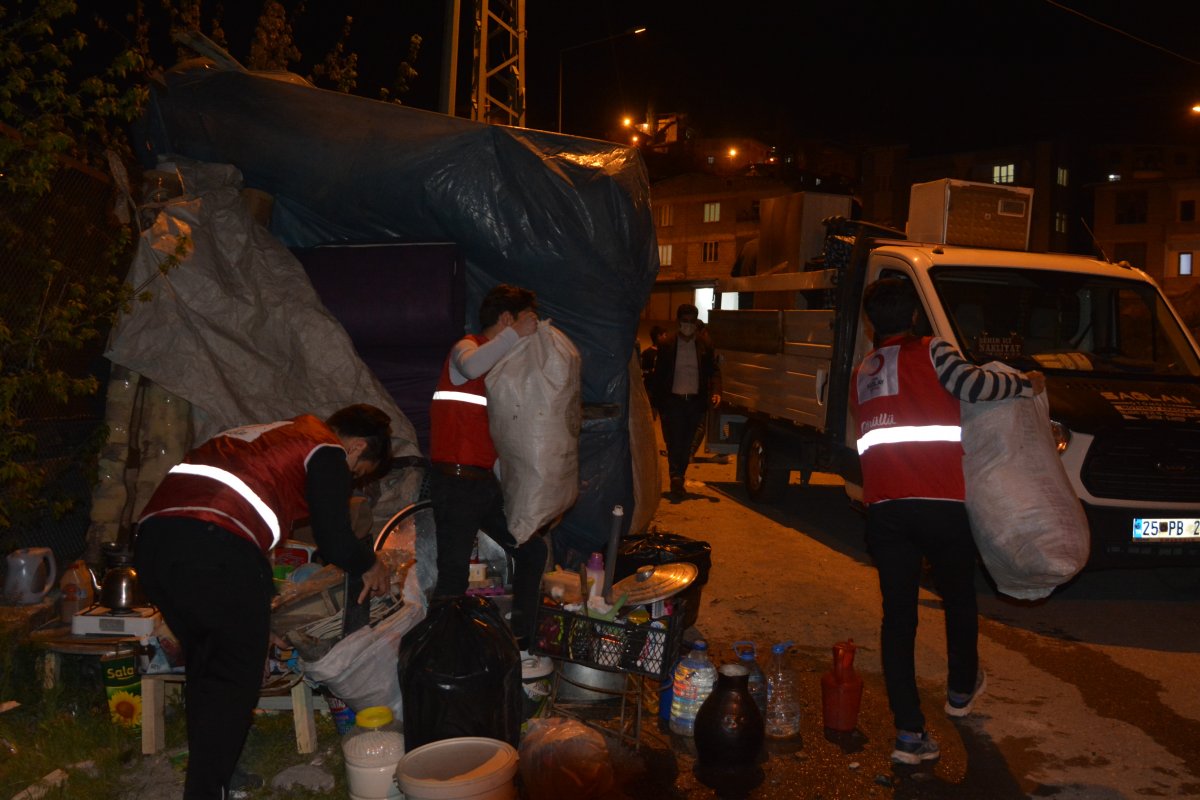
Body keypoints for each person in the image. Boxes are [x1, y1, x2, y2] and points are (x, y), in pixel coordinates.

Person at [133, 404, 394, 799]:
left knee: (208, 665)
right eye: (357, 474)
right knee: (232, 678)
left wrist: (259, 618)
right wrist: (370, 563)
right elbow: (334, 539)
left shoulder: (275, 432)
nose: (349, 480)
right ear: (356, 447)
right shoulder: (326, 450)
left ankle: (218, 774)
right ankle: (206, 790)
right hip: (215, 544)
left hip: (154, 546)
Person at [849, 278, 1045, 766]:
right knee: (958, 596)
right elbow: (974, 385)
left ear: (873, 322)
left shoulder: (863, 371)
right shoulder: (933, 350)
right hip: (940, 501)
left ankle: (909, 734)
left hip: (886, 509)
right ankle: (960, 692)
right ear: (914, 316)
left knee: (899, 620)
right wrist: (1026, 382)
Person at [428, 283, 548, 665]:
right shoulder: (467, 348)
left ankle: (522, 641)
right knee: (453, 579)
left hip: (482, 486)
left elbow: (497, 440)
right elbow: (471, 365)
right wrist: (517, 334)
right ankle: (439, 660)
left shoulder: (502, 371)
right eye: (527, 320)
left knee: (532, 549)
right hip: (455, 483)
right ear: (509, 318)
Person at [649, 303, 721, 502]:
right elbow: (659, 376)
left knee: (688, 442)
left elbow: (713, 371)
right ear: (678, 322)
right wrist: (655, 403)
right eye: (684, 322)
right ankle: (676, 477)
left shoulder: (705, 345)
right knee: (674, 441)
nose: (688, 326)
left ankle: (679, 474)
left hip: (694, 402)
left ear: (696, 323)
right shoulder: (667, 344)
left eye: (691, 322)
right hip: (673, 402)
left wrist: (716, 391)